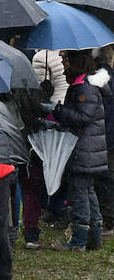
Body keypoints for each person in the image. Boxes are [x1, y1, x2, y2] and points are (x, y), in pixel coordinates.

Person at [51, 49, 108, 251]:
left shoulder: (84, 88)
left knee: (80, 193)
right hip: (88, 149)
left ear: (77, 61)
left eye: (65, 59)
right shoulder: (82, 86)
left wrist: (57, 110)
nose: (63, 63)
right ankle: (95, 237)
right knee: (88, 191)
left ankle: (79, 240)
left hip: (84, 149)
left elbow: (82, 119)